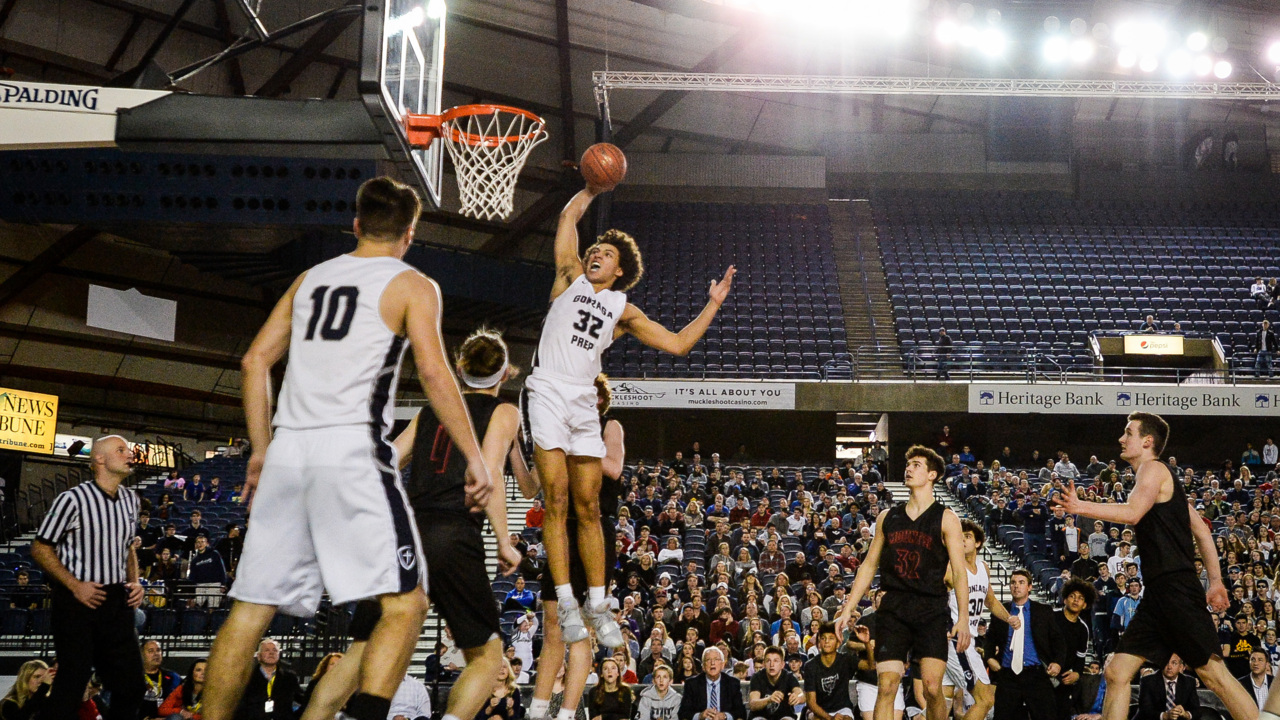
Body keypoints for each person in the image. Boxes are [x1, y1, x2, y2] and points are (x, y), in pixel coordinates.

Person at [202, 177, 493, 720]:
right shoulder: (412, 284)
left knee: (248, 612)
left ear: (355, 225)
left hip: (289, 448)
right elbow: (432, 370)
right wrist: (474, 455)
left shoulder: (309, 278)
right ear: (410, 232)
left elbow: (254, 361)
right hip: (351, 451)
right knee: (406, 606)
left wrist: (261, 449)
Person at [527, 184, 734, 645]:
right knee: (555, 501)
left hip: (583, 398)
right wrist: (590, 188)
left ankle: (598, 605)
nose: (595, 254)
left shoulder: (623, 309)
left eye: (604, 253)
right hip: (546, 389)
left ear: (619, 270)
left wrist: (714, 304)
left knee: (588, 509)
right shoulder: (568, 278)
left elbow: (678, 344)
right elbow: (567, 222)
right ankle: (565, 602)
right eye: (593, 250)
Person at [302, 328, 529, 720]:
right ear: (506, 374)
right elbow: (488, 471)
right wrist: (505, 540)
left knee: (360, 652)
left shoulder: (430, 411)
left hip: (405, 535)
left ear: (459, 369)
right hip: (453, 535)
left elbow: (387, 460)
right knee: (488, 657)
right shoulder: (505, 412)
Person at [1053, 412, 1256, 720]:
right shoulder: (1164, 482)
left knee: (1214, 675)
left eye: (1128, 433)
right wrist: (1215, 582)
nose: (1121, 439)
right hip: (1159, 594)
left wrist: (1080, 506)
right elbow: (1202, 530)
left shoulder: (1153, 468)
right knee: (1117, 672)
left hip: (1176, 589)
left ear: (1147, 441)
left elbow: (1134, 513)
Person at [835, 446, 971, 720]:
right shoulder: (888, 517)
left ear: (932, 474)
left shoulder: (946, 518)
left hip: (931, 608)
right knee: (886, 685)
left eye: (917, 465)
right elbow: (869, 565)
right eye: (908, 464)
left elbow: (959, 571)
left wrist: (964, 617)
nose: (909, 468)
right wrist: (849, 607)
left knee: (933, 689)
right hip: (894, 608)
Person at [530, 374, 628, 720]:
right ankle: (539, 710)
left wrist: (576, 446)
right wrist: (517, 447)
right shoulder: (556, 434)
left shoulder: (609, 427)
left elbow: (614, 468)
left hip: (594, 530)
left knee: (582, 628)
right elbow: (529, 487)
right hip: (561, 530)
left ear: (598, 401)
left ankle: (568, 713)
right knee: (553, 621)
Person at [31, 435, 146, 720]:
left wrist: (135, 581)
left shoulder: (131, 500)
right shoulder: (72, 499)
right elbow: (40, 546)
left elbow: (128, 546)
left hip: (116, 602)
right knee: (71, 686)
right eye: (121, 450)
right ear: (100, 459)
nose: (129, 454)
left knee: (132, 686)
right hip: (76, 602)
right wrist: (74, 585)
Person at [942, 521, 1017, 720]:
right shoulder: (950, 567)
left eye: (967, 536)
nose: (962, 540)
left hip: (968, 639)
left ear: (978, 542)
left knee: (941, 705)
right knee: (985, 699)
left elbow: (990, 600)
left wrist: (1009, 618)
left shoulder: (983, 567)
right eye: (959, 537)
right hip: (955, 640)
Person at [982, 569, 1065, 720]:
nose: (1016, 586)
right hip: (1008, 675)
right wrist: (989, 658)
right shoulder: (1001, 611)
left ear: (1030, 587)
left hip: (1036, 674)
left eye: (1021, 582)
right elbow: (990, 639)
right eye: (1013, 582)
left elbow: (1058, 640)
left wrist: (1058, 662)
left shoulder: (1043, 611)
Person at [1052, 579, 1096, 720]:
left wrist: (1076, 674)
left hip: (1064, 682)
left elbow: (1080, 657)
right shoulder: (1051, 617)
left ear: (1085, 605)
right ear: (1064, 599)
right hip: (1041, 677)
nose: (1076, 600)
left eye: (1080, 598)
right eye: (1072, 596)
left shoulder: (1083, 629)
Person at [803, 624, 858, 720]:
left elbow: (870, 665)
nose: (827, 641)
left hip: (842, 708)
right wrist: (830, 718)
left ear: (838, 643)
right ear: (819, 642)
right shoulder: (810, 666)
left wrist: (867, 644)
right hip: (819, 709)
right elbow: (811, 703)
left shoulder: (845, 660)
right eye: (823, 638)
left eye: (831, 638)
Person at [236, 638, 301, 719]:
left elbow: (304, 701)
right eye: (267, 650)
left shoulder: (289, 678)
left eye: (275, 650)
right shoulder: (246, 678)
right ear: (258, 656)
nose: (271, 653)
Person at [677, 647, 747, 720]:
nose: (712, 663)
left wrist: (725, 716)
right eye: (708, 660)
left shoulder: (733, 683)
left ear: (722, 665)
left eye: (716, 659)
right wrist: (700, 716)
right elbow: (683, 713)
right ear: (703, 666)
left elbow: (741, 712)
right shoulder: (692, 684)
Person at [1135, 654, 1200, 720]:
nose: (1169, 667)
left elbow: (1197, 710)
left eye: (1174, 663)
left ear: (1180, 667)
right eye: (1166, 662)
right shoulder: (1148, 681)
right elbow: (1144, 710)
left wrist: (1185, 714)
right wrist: (1165, 716)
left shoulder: (1189, 682)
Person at [750, 646, 806, 720]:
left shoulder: (789, 677)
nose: (771, 665)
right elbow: (753, 704)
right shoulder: (757, 677)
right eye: (768, 661)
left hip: (784, 716)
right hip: (761, 716)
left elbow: (801, 694)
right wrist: (769, 699)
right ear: (764, 664)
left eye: (776, 661)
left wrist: (797, 698)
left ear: (782, 664)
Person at [140, 639, 183, 717]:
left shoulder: (173, 677)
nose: (156, 654)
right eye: (151, 651)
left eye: (158, 650)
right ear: (142, 655)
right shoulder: (133, 677)